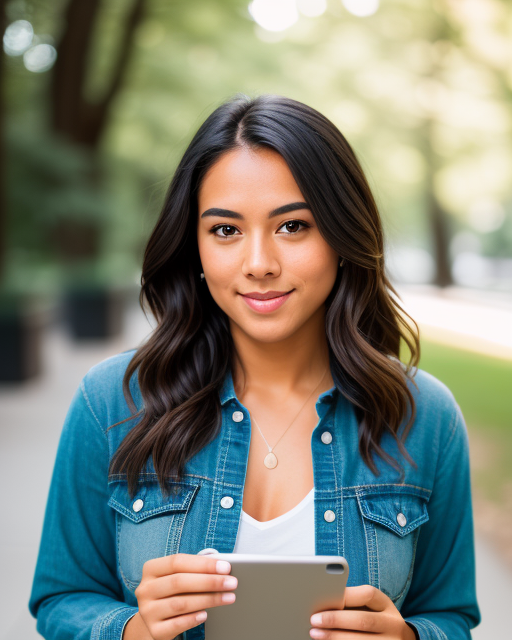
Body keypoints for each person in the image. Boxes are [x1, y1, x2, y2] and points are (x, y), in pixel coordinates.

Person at [29, 94, 480, 640]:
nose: (260, 264)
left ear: (341, 236)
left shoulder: (424, 415)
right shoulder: (111, 401)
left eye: (293, 226)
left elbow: (451, 615)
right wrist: (130, 632)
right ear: (193, 245)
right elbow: (61, 599)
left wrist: (411, 638)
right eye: (226, 230)